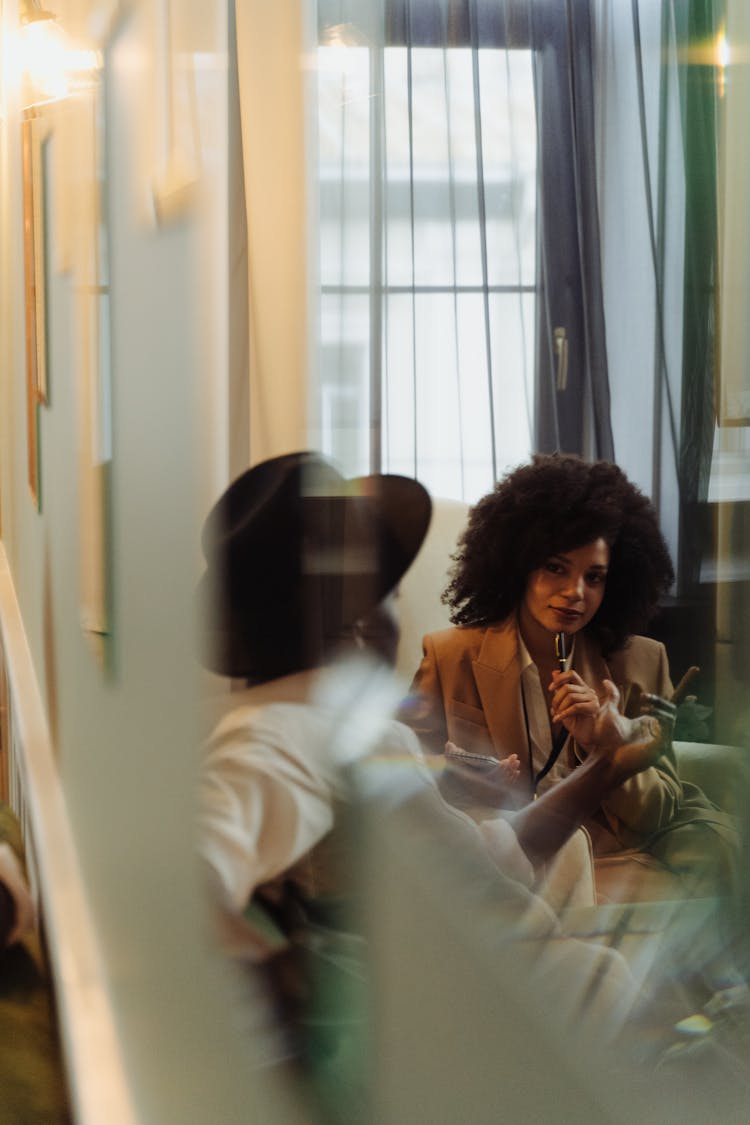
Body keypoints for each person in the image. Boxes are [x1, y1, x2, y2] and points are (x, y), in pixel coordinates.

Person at [407, 452, 737, 902]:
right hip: (517, 851)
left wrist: (605, 747)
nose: (574, 593)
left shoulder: (643, 661)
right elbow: (402, 789)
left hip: (618, 847)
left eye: (595, 577)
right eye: (555, 568)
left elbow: (658, 812)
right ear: (518, 565)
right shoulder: (449, 656)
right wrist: (457, 777)